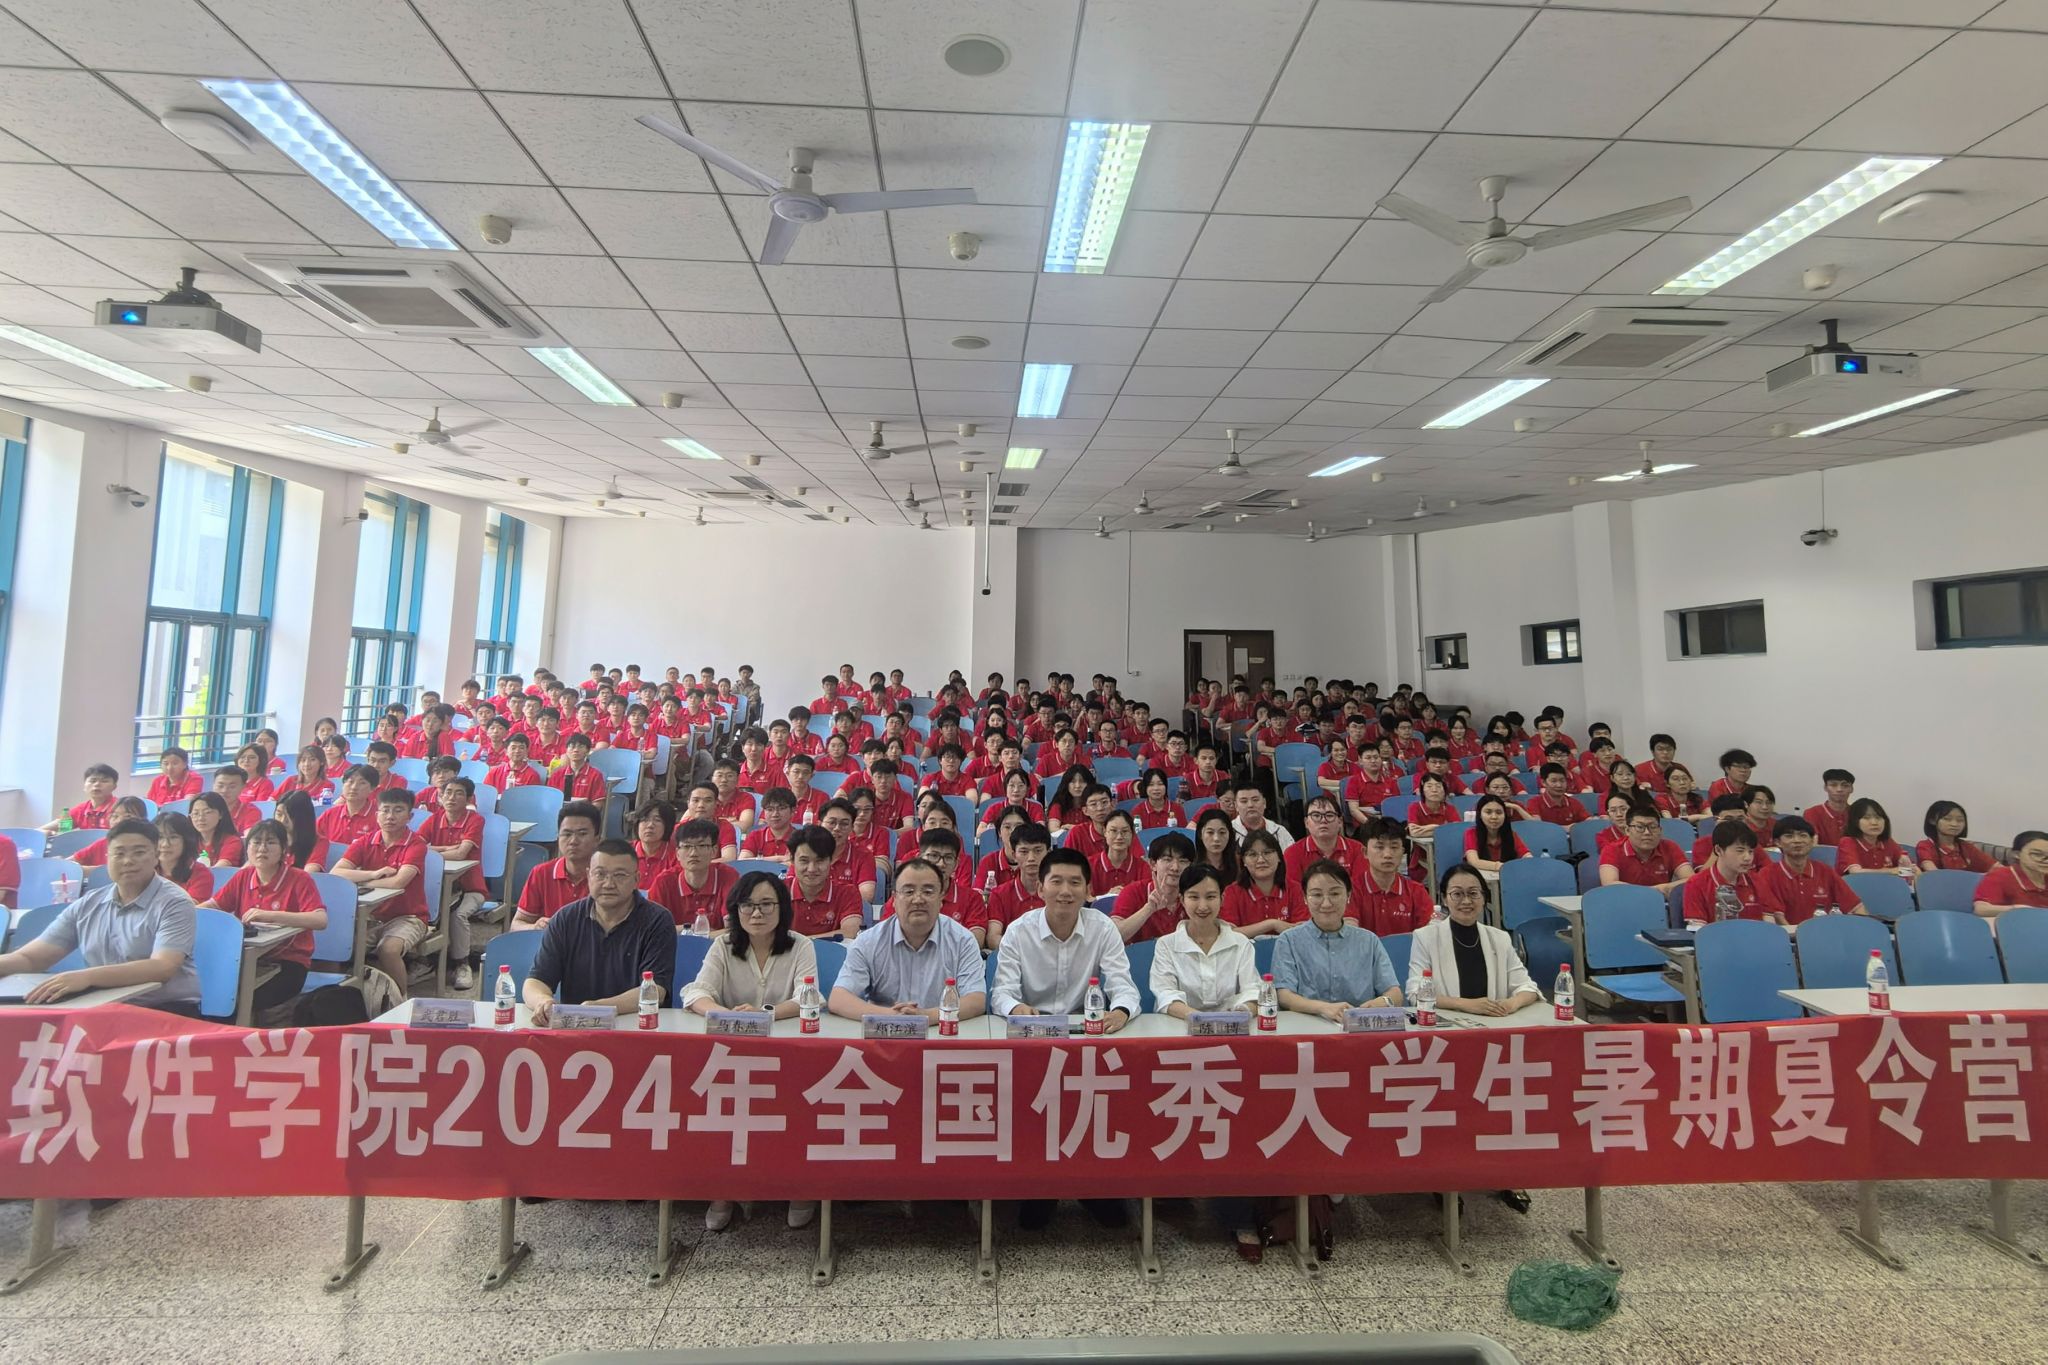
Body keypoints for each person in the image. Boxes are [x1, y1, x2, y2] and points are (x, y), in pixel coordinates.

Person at [990, 846, 1140, 1232]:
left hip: (1087, 1040)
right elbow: (1001, 991)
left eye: (1075, 882)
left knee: (1096, 1108)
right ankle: (1040, 1191)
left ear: (1089, 890)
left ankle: (1094, 1190)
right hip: (1032, 1040)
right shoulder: (1019, 931)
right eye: (1056, 881)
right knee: (1035, 1112)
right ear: (1040, 887)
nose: (1065, 891)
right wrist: (1016, 1008)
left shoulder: (1102, 928)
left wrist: (1121, 1011)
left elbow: (1124, 986)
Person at [681, 870, 819, 1232]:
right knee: (724, 1113)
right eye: (748, 905)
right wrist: (724, 1015)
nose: (756, 913)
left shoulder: (801, 945)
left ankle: (799, 1187)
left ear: (782, 908)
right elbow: (695, 992)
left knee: (796, 1112)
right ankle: (723, 1190)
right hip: (732, 1055)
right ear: (735, 910)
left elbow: (808, 998)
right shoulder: (723, 946)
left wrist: (765, 1014)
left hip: (788, 1057)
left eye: (766, 904)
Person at [0, 818, 201, 1010]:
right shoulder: (88, 904)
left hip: (165, 1008)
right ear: (107, 858)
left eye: (139, 853)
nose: (128, 861)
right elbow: (30, 958)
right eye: (119, 854)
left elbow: (163, 967)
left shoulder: (174, 902)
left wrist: (87, 977)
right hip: (101, 1006)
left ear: (156, 856)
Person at [830, 857, 986, 1023]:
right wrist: (894, 1016)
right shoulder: (869, 941)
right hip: (885, 1032)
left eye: (928, 892)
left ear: (941, 898)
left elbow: (977, 1000)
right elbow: (838, 999)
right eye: (909, 892)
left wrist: (926, 1016)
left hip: (940, 1031)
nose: (918, 899)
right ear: (894, 899)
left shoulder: (962, 940)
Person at [203, 819, 328, 1013]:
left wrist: (271, 915)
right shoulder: (243, 876)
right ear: (247, 847)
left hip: (288, 962)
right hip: (244, 959)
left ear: (284, 850)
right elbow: (214, 905)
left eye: (270, 842)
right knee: (211, 994)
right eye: (256, 842)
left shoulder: (299, 878)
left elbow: (320, 920)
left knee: (238, 1002)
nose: (262, 848)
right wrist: (188, 913)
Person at [1272, 861, 1403, 1022]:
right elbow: (1284, 996)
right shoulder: (1288, 940)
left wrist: (1382, 1002)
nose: (1326, 903)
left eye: (1334, 894)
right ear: (1305, 898)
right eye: (1317, 895)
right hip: (1307, 1024)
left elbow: (1395, 993)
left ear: (1348, 896)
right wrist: (1324, 1008)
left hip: (1359, 1025)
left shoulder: (1369, 941)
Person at [332, 787, 431, 996]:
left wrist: (362, 880)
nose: (390, 816)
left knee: (388, 949)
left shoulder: (415, 844)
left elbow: (398, 883)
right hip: (370, 917)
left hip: (408, 917)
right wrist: (374, 874)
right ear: (377, 814)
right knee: (337, 945)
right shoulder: (365, 841)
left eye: (398, 810)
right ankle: (341, 996)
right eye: (385, 810)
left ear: (410, 816)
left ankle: (400, 999)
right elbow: (337, 873)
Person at [1408, 864, 1541, 1017]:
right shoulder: (1425, 937)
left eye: (1473, 893)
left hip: (1494, 1023)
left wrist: (1510, 1004)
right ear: (1444, 899)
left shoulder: (1500, 938)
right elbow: (1416, 993)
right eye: (1457, 894)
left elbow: (1528, 987)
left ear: (1484, 898)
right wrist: (1466, 1005)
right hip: (1447, 1024)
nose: (1466, 901)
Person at [1148, 864, 1259, 1019]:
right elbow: (1166, 995)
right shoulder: (1166, 945)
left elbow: (1252, 992)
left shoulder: (1240, 943)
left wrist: (1241, 1012)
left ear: (1222, 899)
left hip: (1232, 1025)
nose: (1203, 906)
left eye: (1210, 897)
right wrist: (1201, 1020)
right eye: (1194, 897)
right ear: (1182, 900)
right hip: (1181, 1024)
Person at [420, 776, 488, 989]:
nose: (451, 797)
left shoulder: (475, 820)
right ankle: (424, 962)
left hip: (471, 887)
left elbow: (461, 855)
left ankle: (462, 964)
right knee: (418, 910)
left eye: (458, 793)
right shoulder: (434, 819)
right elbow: (417, 848)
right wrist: (445, 849)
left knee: (457, 915)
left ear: (468, 799)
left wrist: (433, 852)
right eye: (447, 793)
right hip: (439, 888)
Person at [1681, 822, 1794, 924]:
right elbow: (1698, 930)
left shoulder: (1758, 881)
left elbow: (1768, 925)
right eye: (1740, 851)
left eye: (1750, 852)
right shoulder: (1696, 884)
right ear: (1718, 850)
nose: (1747, 858)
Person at [513, 801, 602, 927]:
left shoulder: (607, 876)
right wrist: (534, 927)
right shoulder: (541, 873)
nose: (573, 841)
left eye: (582, 834)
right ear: (558, 837)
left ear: (597, 839)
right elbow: (516, 924)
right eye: (567, 834)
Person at [1761, 816, 1863, 924]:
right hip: (1788, 933)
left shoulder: (1825, 871)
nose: (1797, 841)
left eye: (1803, 835)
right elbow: (1776, 917)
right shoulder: (1767, 874)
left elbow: (1856, 907)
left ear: (1812, 841)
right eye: (1789, 836)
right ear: (1777, 842)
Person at [1348, 817, 1435, 937]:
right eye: (1379, 847)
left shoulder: (1417, 892)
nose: (1387, 855)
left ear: (1402, 852)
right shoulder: (1350, 890)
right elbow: (1350, 935)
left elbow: (1428, 936)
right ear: (1365, 852)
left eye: (1394, 847)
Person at [648, 818, 739, 929]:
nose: (693, 853)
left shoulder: (728, 876)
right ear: (677, 853)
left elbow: (732, 930)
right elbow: (652, 930)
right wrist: (694, 930)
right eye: (687, 846)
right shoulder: (663, 882)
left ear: (714, 851)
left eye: (701, 846)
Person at [1109, 831, 1194, 942]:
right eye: (1167, 860)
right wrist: (1149, 909)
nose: (1175, 867)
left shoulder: (1195, 894)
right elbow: (1113, 937)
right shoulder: (1133, 891)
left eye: (1183, 861)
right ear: (1153, 864)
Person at [786, 826, 864, 939]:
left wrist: (803, 944)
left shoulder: (847, 893)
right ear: (792, 860)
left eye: (820, 861)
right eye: (804, 861)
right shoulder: (777, 891)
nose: (812, 869)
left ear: (831, 860)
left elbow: (850, 933)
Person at [1223, 830, 1303, 937]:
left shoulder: (1294, 888)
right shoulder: (1232, 892)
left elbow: (1302, 929)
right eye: (1253, 854)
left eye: (1267, 853)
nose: (1261, 860)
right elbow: (1228, 933)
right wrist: (1271, 924)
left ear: (1279, 857)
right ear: (1244, 861)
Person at [1599, 806, 1692, 893]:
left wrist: (1666, 888)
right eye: (1640, 827)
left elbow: (1691, 879)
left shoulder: (1669, 847)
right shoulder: (1611, 850)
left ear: (1660, 830)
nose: (1647, 832)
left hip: (1661, 902)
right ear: (1627, 830)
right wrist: (1653, 892)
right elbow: (1609, 884)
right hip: (1626, 901)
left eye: (1653, 827)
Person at [1284, 794, 1368, 888]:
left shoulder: (1357, 849)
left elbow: (1359, 888)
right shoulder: (1292, 853)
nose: (1323, 820)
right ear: (1306, 822)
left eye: (1329, 815)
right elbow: (1294, 891)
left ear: (1340, 821)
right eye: (1316, 815)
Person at [1835, 798, 1915, 878]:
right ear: (1855, 821)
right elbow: (1856, 872)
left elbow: (1912, 870)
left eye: (1878, 817)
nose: (1874, 822)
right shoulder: (1847, 842)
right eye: (1866, 818)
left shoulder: (1888, 842)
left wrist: (1906, 868)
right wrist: (1891, 871)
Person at [1975, 831, 2048, 917]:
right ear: (2017, 854)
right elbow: (1981, 909)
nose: (2046, 860)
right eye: (2037, 854)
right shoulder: (2001, 876)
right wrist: (2015, 909)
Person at [153, 811, 216, 904]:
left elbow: (186, 909)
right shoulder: (144, 870)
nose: (165, 844)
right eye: (160, 837)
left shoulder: (201, 874)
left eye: (173, 837)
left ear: (186, 841)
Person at [1918, 801, 1994, 874]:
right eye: (1947, 819)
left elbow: (1995, 867)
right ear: (1932, 820)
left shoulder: (1966, 847)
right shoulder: (1925, 846)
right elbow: (1933, 873)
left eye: (1960, 820)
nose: (1954, 824)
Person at [44, 763, 120, 834]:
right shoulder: (82, 809)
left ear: (114, 787)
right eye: (92, 781)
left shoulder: (120, 808)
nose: (97, 784)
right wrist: (45, 832)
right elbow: (45, 829)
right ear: (84, 786)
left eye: (104, 781)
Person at [1463, 794, 1524, 873]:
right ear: (1480, 814)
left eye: (1499, 812)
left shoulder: (1511, 834)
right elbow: (1474, 861)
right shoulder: (1471, 833)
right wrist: (1505, 867)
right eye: (1488, 812)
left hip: (1507, 876)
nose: (1494, 817)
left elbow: (1526, 855)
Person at [189, 791, 245, 869]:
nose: (200, 818)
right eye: (195, 813)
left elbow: (220, 869)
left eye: (207, 812)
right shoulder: (188, 841)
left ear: (221, 814)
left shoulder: (232, 841)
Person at [1230, 784, 1293, 851]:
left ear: (1264, 803)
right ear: (1236, 806)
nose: (1250, 805)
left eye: (1255, 800)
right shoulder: (1229, 831)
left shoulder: (1280, 831)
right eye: (1244, 801)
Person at [1802, 770, 1856, 848]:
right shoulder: (1812, 813)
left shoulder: (1857, 813)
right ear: (1825, 787)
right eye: (1833, 785)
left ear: (1851, 789)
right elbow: (1812, 846)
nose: (1839, 789)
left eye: (1845, 785)